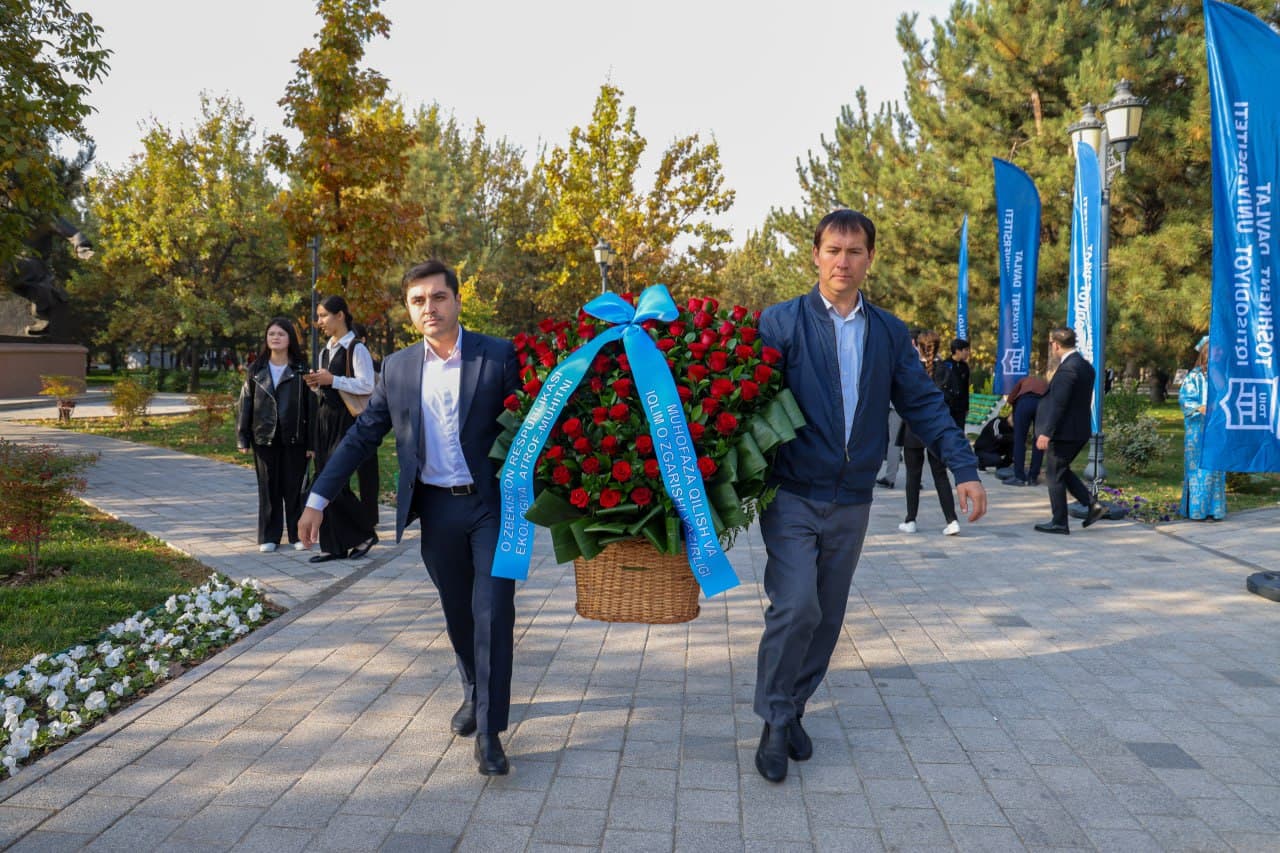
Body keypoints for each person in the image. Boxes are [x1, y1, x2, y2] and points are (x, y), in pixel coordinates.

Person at [753, 210, 987, 784]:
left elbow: (924, 403)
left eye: (855, 251)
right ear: (815, 254)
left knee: (827, 619)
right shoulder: (781, 323)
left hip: (853, 500)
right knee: (796, 607)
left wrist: (964, 466)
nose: (843, 260)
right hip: (792, 495)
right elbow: (747, 403)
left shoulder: (887, 331)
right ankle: (775, 720)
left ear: (869, 260)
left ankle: (794, 705)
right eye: (833, 249)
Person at [299, 260, 520, 776]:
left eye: (438, 297)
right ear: (408, 309)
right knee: (458, 615)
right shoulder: (397, 368)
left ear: (457, 300)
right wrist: (317, 498)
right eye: (418, 300)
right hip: (436, 509)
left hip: (490, 506)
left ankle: (489, 730)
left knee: (492, 611)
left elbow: (528, 420)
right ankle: (472, 690)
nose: (430, 308)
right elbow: (362, 436)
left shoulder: (497, 355)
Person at [303, 296, 379, 563]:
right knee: (324, 477)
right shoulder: (326, 350)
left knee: (334, 481)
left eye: (323, 315)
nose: (319, 322)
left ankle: (365, 532)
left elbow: (368, 385)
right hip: (324, 420)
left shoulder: (356, 348)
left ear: (341, 316)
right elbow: (331, 387)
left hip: (346, 421)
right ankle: (335, 545)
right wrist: (316, 383)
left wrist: (332, 379)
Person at [236, 317, 314, 553]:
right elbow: (245, 404)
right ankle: (268, 536)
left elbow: (312, 409)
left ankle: (297, 535)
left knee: (294, 489)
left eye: (281, 333)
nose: (276, 337)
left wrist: (312, 443)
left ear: (290, 338)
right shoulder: (256, 370)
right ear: (266, 339)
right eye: (271, 334)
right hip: (264, 437)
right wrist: (243, 437)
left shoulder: (301, 369)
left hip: (295, 438)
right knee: (268, 488)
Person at [1033, 327, 1106, 534]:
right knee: (1061, 469)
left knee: (1054, 475)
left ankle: (1059, 522)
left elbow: (1059, 404)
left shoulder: (1067, 370)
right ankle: (1092, 504)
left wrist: (1046, 432)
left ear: (1056, 345)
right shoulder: (1085, 366)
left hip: (1064, 433)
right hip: (1078, 429)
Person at [897, 330, 962, 537]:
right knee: (940, 475)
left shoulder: (910, 369)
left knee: (912, 476)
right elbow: (954, 399)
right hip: (937, 429)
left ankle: (911, 519)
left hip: (913, 429)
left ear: (916, 345)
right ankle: (951, 520)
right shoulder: (946, 371)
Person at [1178, 336, 1226, 520]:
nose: (1220, 353)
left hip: (1217, 429)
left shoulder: (1222, 374)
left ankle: (1215, 509)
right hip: (1198, 430)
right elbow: (1185, 400)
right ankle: (1197, 510)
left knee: (1216, 468)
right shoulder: (1195, 376)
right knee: (1199, 469)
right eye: (1216, 350)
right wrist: (1200, 407)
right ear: (1207, 352)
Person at [351, 322, 382, 531]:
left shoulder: (373, 366)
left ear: (362, 341)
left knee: (368, 472)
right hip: (343, 419)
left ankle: (370, 516)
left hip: (365, 419)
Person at [1003, 374, 1049, 486]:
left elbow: (1011, 398)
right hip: (1042, 404)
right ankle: (1033, 478)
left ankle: (1019, 477)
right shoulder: (1046, 383)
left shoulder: (1023, 380)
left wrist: (1013, 413)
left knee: (1019, 440)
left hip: (1024, 403)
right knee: (1038, 440)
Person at [939, 337, 971, 429]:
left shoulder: (964, 367)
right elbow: (940, 387)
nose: (968, 353)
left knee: (959, 432)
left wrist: (966, 407)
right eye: (966, 350)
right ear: (957, 351)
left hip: (960, 409)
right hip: (947, 407)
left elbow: (965, 388)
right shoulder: (945, 365)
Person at [875, 406, 902, 488]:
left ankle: (890, 478)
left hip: (897, 407)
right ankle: (915, 480)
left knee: (894, 443)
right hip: (915, 406)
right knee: (913, 445)